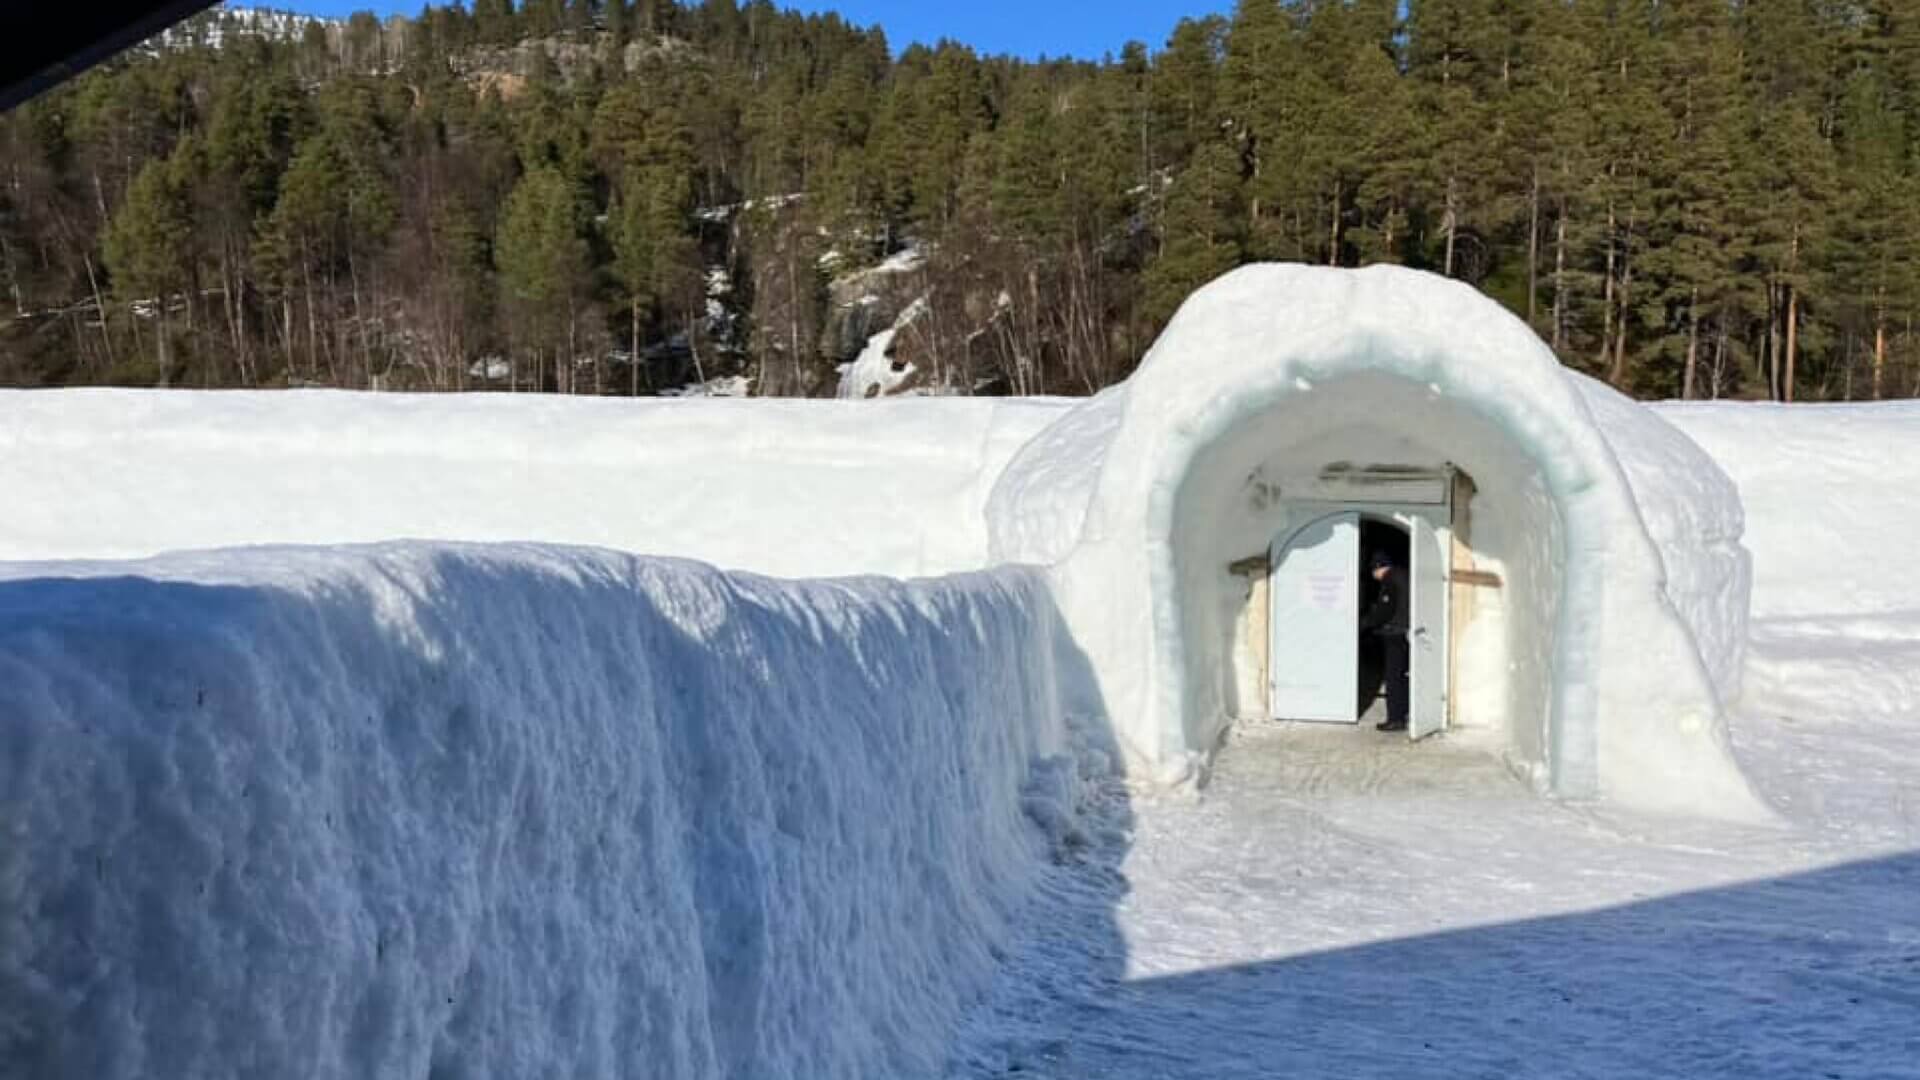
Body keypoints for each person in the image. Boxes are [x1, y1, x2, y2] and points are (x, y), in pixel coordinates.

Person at [1358, 549, 1409, 732]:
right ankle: (1404, 713)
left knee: (1393, 677)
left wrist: (1365, 624)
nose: (1374, 576)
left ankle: (1395, 718)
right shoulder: (1404, 575)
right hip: (1406, 632)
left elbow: (1385, 610)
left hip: (1395, 633)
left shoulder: (1390, 579)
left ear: (1379, 568)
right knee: (1403, 676)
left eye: (1374, 571)